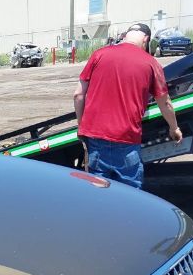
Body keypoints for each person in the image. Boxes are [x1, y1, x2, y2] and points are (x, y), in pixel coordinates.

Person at [73, 23, 182, 188]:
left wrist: (82, 125)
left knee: (98, 194)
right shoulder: (151, 63)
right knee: (130, 195)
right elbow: (164, 102)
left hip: (95, 138)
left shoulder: (99, 55)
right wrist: (174, 128)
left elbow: (78, 95)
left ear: (125, 36)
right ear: (146, 39)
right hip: (126, 140)